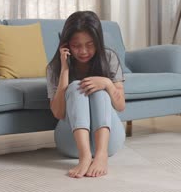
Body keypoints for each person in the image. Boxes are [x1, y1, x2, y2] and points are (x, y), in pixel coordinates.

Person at [46, 11, 126, 178]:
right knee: (76, 86)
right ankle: (85, 156)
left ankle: (101, 155)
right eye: (76, 46)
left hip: (109, 142)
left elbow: (120, 106)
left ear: (98, 42)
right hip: (71, 144)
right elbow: (59, 113)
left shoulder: (109, 57)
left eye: (90, 45)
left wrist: (107, 84)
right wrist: (65, 70)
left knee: (101, 90)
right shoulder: (54, 68)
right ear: (66, 45)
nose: (83, 51)